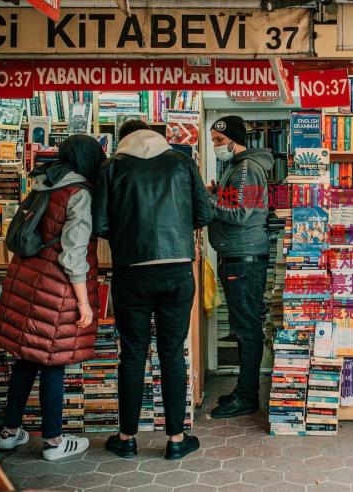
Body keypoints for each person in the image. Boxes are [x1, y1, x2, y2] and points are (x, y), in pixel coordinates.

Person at [93, 120, 211, 461]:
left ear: (122, 140)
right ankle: (176, 438)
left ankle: (126, 437)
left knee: (132, 354)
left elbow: (100, 224)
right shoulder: (181, 162)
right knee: (171, 352)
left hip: (131, 271)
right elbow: (202, 214)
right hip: (176, 269)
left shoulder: (112, 167)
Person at [0, 135, 105, 461]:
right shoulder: (80, 194)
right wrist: (84, 302)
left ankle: (9, 432)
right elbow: (73, 255)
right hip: (55, 290)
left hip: (26, 282)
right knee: (54, 361)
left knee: (27, 358)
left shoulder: (45, 183)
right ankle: (54, 442)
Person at [206, 115, 273, 419]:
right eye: (214, 142)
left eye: (219, 141)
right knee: (243, 327)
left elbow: (242, 212)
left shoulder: (246, 167)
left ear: (233, 139)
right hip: (238, 256)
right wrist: (216, 195)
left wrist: (207, 203)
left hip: (244, 258)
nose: (216, 146)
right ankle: (243, 390)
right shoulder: (237, 167)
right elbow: (237, 204)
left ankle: (247, 396)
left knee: (247, 330)